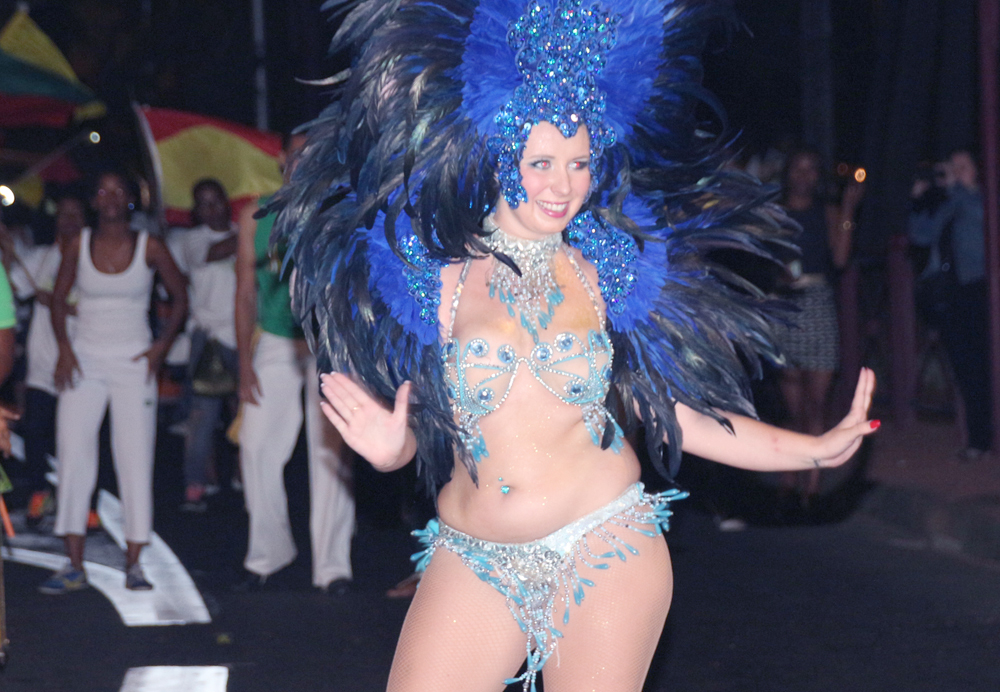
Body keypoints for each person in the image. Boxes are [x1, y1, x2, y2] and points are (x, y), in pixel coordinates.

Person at [272, 2, 879, 690]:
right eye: (541, 162)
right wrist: (393, 451)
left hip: (605, 545)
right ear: (500, 157)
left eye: (580, 163)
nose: (563, 185)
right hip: (475, 556)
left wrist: (810, 448)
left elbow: (672, 416)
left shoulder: (609, 272)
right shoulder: (435, 279)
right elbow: (419, 420)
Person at [39, 170, 187, 594]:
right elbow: (57, 299)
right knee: (73, 456)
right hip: (84, 362)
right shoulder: (78, 244)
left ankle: (135, 564)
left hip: (133, 364)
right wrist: (64, 349)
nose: (110, 197)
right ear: (93, 199)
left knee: (135, 459)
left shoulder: (150, 246)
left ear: (131, 199)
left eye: (118, 191)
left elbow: (181, 297)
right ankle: (73, 565)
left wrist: (160, 348)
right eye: (102, 190)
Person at [234, 134, 355, 592]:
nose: (305, 159)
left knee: (330, 453)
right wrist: (243, 363)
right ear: (281, 157)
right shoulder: (256, 214)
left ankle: (332, 567)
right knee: (255, 445)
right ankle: (268, 553)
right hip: (275, 339)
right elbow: (244, 292)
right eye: (298, 151)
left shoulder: (340, 211)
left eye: (314, 151)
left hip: (329, 344)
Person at [774, 148, 863, 501]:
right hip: (784, 306)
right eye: (798, 167)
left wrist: (849, 209)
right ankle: (788, 477)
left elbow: (840, 258)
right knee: (792, 405)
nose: (804, 175)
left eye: (811, 169)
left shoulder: (827, 212)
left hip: (817, 304)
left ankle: (810, 484)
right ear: (788, 172)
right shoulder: (774, 212)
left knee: (816, 403)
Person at [908, 150, 990, 458]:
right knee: (966, 370)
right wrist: (919, 199)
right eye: (952, 167)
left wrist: (958, 187)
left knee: (985, 366)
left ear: (978, 170)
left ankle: (985, 438)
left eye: (963, 166)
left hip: (981, 291)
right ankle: (979, 441)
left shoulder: (981, 199)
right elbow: (920, 235)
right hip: (952, 295)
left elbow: (981, 218)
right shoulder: (949, 204)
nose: (955, 172)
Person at [169, 179, 239, 511]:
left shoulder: (244, 231)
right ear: (196, 211)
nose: (211, 209)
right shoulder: (191, 239)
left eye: (216, 201)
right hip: (209, 336)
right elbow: (214, 253)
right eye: (203, 204)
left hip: (245, 334)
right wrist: (258, 229)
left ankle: (243, 475)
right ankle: (196, 482)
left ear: (227, 202)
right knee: (203, 415)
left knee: (245, 412)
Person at [19, 193, 87, 527]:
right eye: (63, 214)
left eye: (76, 214)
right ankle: (39, 493)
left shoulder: (93, 259)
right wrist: (6, 250)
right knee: (35, 430)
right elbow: (14, 286)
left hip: (80, 361)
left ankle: (84, 501)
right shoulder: (40, 257)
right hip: (42, 362)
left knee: (78, 437)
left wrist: (58, 303)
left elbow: (96, 310)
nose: (69, 221)